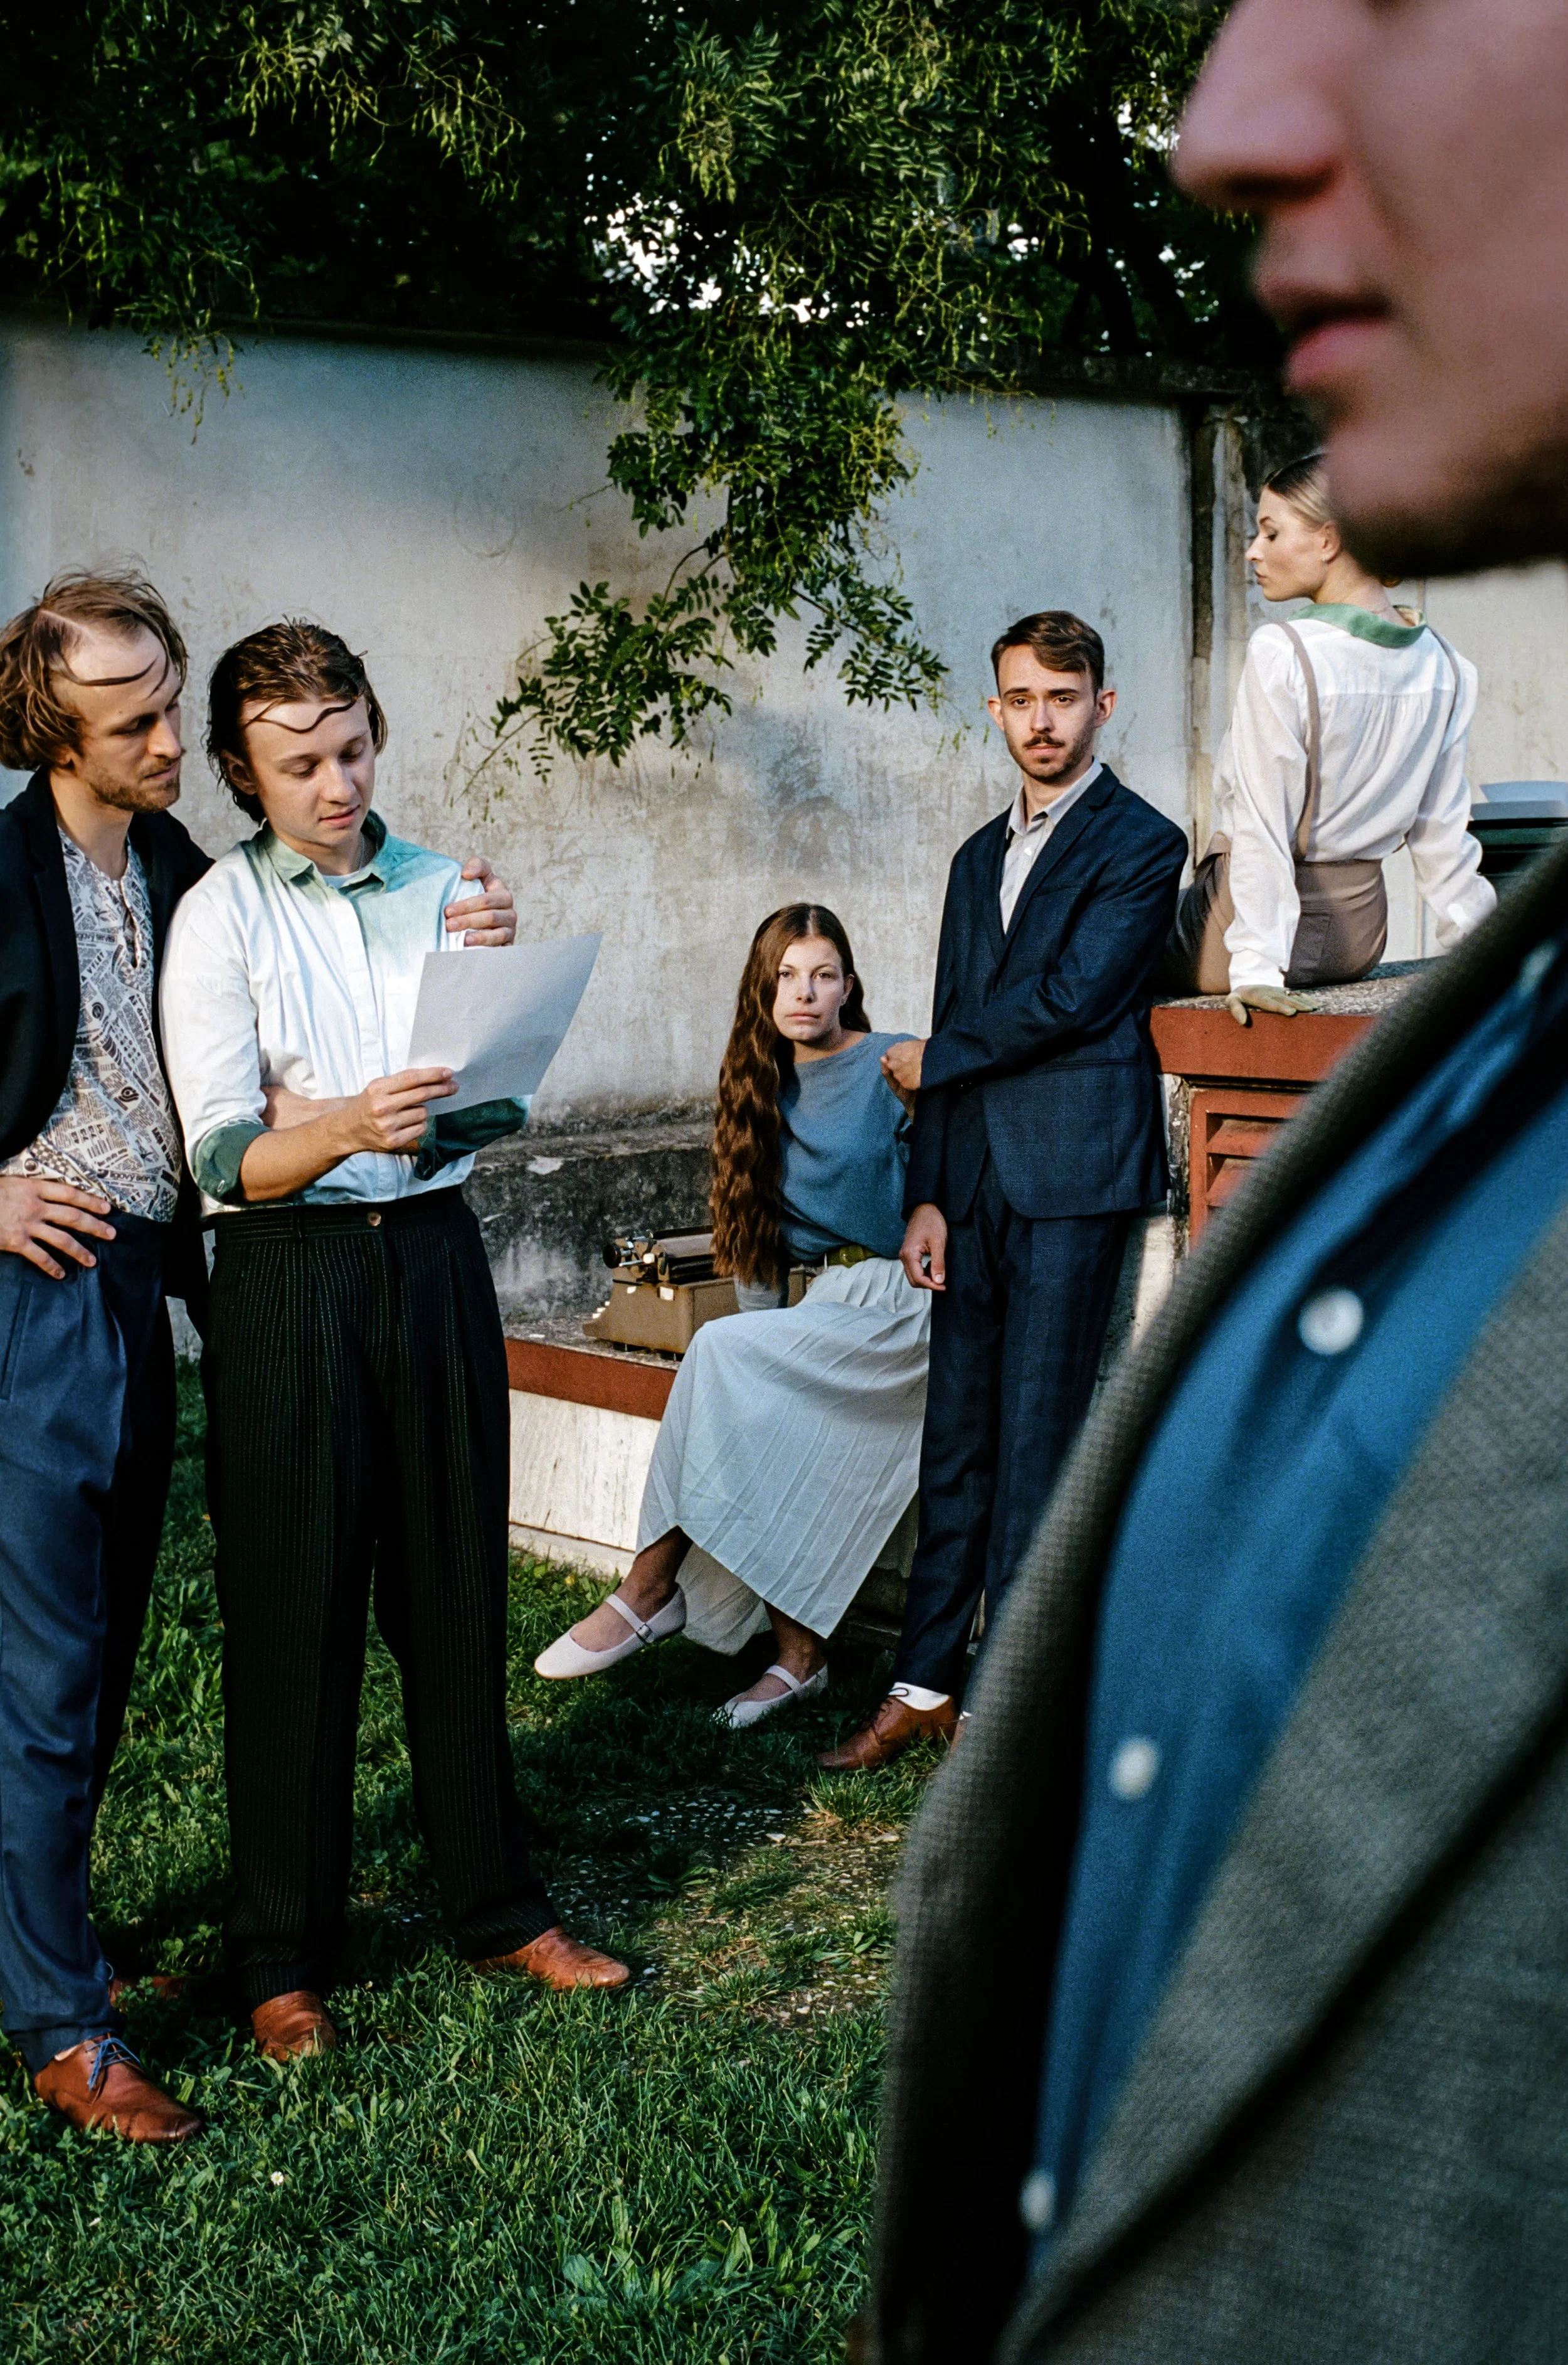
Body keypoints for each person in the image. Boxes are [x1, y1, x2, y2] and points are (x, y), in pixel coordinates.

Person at [865, 6, 1568, 2363]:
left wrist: (1261, 1001)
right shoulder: (1491, 1056)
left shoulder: (1281, 687)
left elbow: (1255, 862)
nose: (1229, 120)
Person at [0, 573, 521, 2141]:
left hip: (159, 1283)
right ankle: (59, 2022)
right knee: (45, 1667)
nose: (172, 737)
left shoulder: (168, 857)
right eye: (138, 719)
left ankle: (55, 1942)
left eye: (171, 699)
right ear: (54, 732)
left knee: (93, 1665)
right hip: (43, 1285)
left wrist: (467, 943)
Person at [159, 619, 624, 2067]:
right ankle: (281, 1954)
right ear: (243, 769)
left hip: (431, 1255)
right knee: (293, 1607)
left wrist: (491, 1032)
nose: (337, 782)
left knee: (454, 1588)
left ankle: (495, 1902)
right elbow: (223, 1158)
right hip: (289, 1274)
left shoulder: (444, 889)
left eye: (352, 747)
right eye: (300, 763)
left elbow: (487, 1113)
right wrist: (347, 1121)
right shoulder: (221, 916)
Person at [819, 612, 1187, 1773]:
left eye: (1063, 699)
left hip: (1073, 1175)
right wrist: (925, 1191)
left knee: (1039, 1445)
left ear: (1102, 707)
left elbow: (1077, 998)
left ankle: (1006, 1712)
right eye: (1021, 699)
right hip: (970, 1182)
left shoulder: (1143, 842)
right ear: (994, 709)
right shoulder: (977, 856)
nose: (1042, 720)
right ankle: (922, 1684)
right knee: (958, 1443)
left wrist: (937, 1059)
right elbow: (954, 1014)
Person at [534, 905, 931, 1725]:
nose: (805, 992)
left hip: (901, 1306)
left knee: (721, 1352)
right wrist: (761, 1339)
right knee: (744, 1382)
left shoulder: (891, 1066)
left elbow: (954, 1183)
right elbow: (756, 1257)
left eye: (823, 975)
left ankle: (650, 1588)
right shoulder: (756, 1085)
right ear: (762, 988)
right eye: (786, 975)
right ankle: (799, 1658)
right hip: (822, 1314)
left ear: (848, 986)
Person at [1163, 448, 1495, 1021]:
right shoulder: (1446, 664)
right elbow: (1443, 835)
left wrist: (1257, 967)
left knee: (1074, 932)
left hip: (1236, 933)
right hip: (1359, 944)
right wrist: (1487, 952)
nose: (1253, 552)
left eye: (1270, 533)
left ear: (1328, 540)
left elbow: (1265, 821)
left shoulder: (1284, 653)